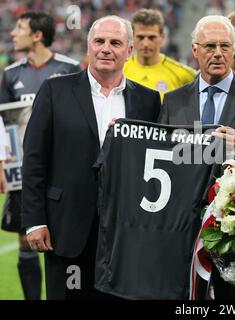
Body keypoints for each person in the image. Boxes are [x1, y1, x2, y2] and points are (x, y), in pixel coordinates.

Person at [21, 15, 161, 300]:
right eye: (99, 41)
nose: (106, 48)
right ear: (88, 47)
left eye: (115, 42)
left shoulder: (148, 100)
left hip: (126, 233)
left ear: (129, 51)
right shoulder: (55, 90)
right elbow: (34, 160)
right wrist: (35, 220)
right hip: (66, 227)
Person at [158, 15, 235, 300]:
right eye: (210, 45)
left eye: (225, 46)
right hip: (182, 231)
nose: (218, 53)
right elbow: (162, 159)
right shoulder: (173, 101)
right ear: (195, 49)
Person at [0, 11, 81, 300]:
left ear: (36, 35)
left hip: (62, 166)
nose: (12, 34)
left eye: (19, 28)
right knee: (26, 239)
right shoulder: (11, 74)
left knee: (67, 234)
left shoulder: (70, 67)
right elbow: (4, 124)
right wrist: (3, 163)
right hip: (24, 167)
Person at [123, 8, 196, 100]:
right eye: (140, 37)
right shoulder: (119, 71)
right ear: (132, 37)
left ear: (162, 37)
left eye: (151, 37)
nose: (145, 43)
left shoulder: (184, 74)